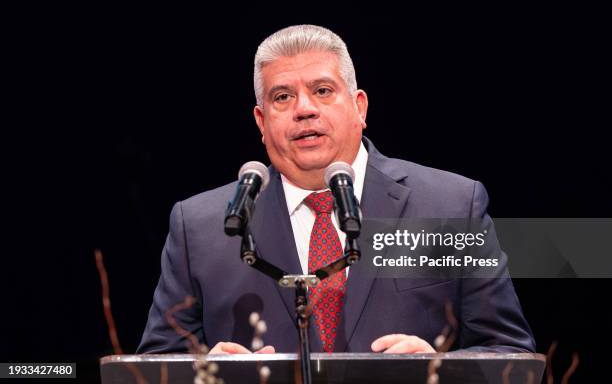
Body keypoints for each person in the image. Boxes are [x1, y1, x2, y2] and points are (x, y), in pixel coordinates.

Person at [137, 25, 535, 355]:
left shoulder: (449, 205)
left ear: (359, 107)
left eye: (323, 91)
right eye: (282, 97)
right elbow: (153, 367)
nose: (304, 109)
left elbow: (508, 352)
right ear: (261, 121)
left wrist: (439, 371)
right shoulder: (203, 227)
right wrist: (207, 375)